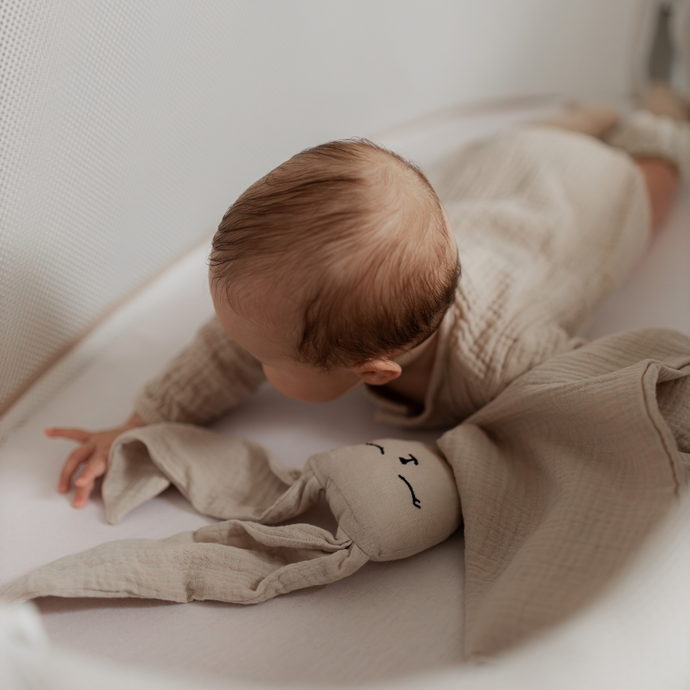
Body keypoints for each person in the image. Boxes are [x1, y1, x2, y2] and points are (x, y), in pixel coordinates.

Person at [46, 88, 690, 509]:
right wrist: (139, 423)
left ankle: (656, 121)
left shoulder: (502, 360)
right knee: (516, 152)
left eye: (264, 358)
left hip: (586, 198)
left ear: (373, 369)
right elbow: (221, 354)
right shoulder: (303, 316)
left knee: (650, 185)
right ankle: (582, 120)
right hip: (502, 163)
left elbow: (606, 388)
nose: (238, 354)